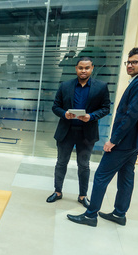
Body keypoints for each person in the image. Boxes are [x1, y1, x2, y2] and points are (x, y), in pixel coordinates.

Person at [67, 47, 138, 227]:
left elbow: (131, 115)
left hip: (125, 142)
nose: (130, 65)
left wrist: (113, 140)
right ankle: (119, 213)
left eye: (135, 62)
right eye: (129, 62)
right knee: (126, 176)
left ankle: (90, 216)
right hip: (134, 142)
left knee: (101, 176)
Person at [46, 57, 111, 207]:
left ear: (92, 68)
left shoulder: (101, 87)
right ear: (76, 68)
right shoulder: (65, 86)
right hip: (66, 132)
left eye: (87, 68)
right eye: (80, 68)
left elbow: (106, 108)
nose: (83, 71)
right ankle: (57, 192)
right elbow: (56, 106)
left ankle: (82, 196)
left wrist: (91, 116)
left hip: (86, 134)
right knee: (61, 162)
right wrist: (64, 114)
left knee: (84, 165)